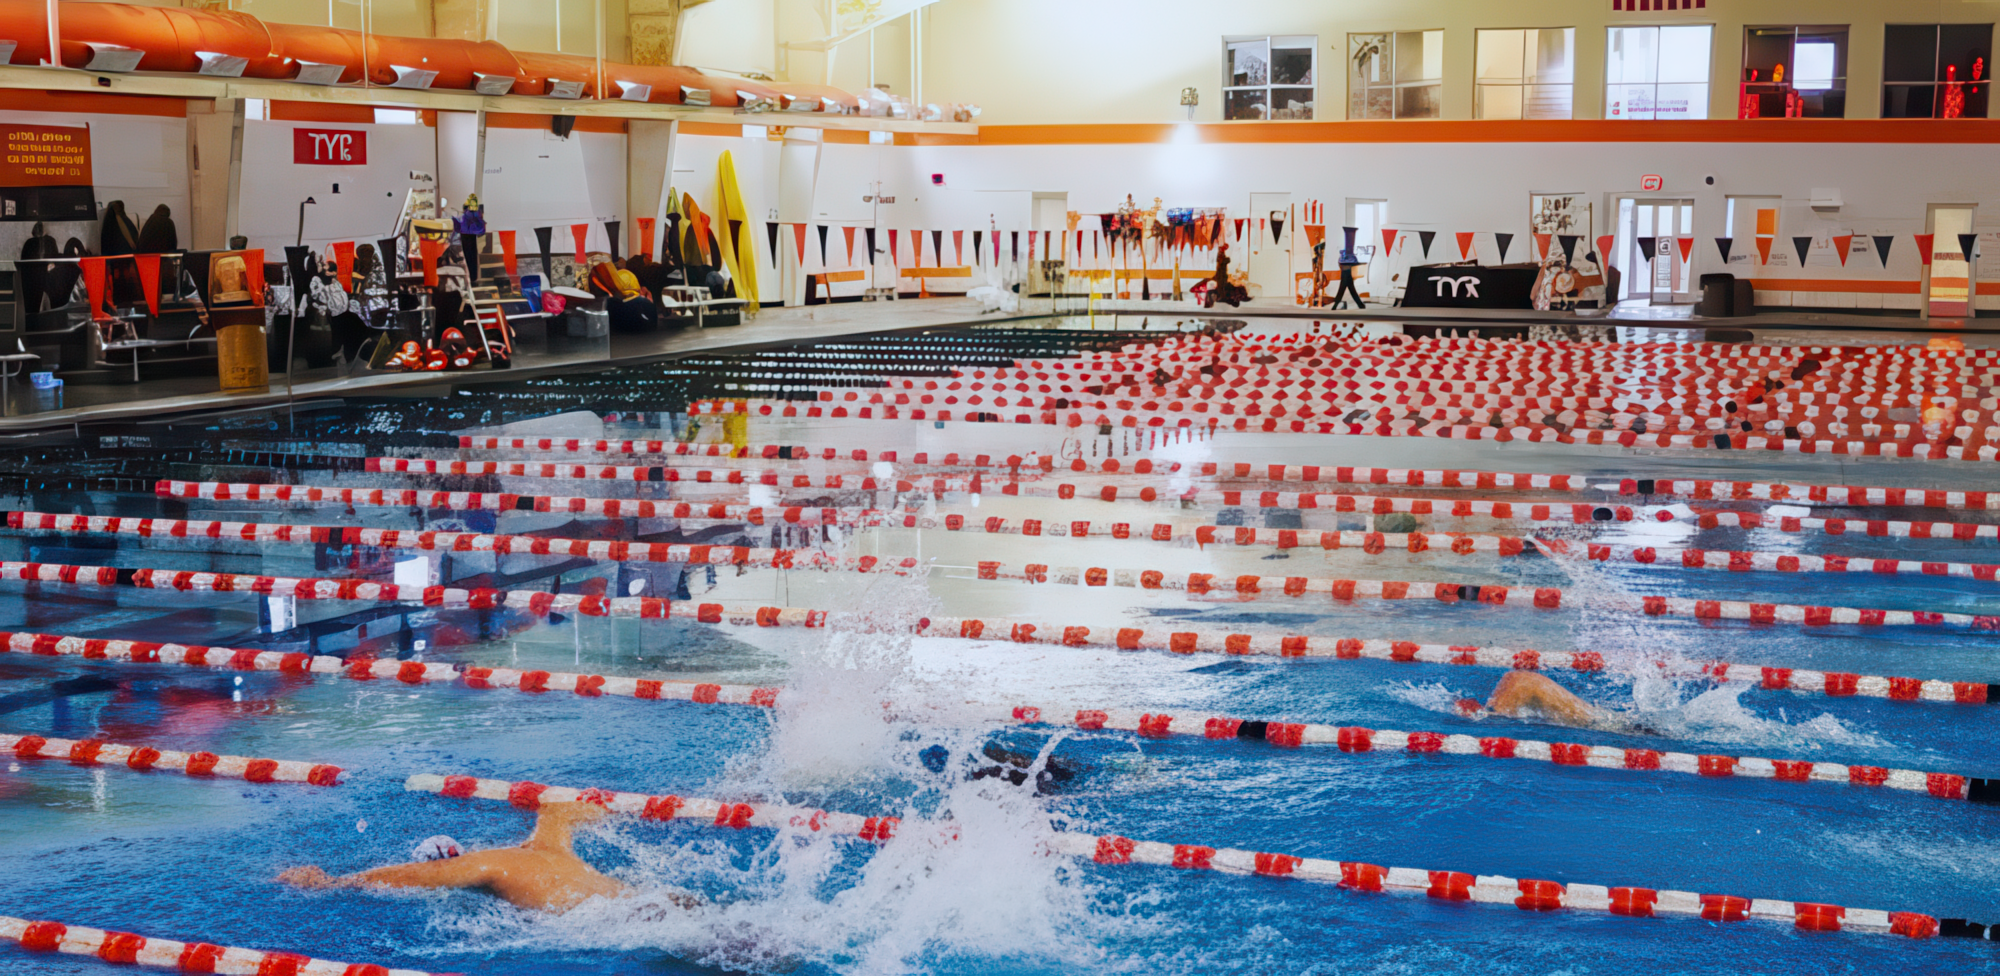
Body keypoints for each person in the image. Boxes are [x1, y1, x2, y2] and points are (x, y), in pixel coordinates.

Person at [278, 801, 673, 913]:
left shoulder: (486, 866)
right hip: (652, 899)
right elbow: (559, 809)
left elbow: (411, 878)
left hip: (627, 920)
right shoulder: (546, 845)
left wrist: (334, 883)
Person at [1456, 670, 1601, 727]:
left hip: (1599, 723)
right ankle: (1488, 715)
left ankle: (1487, 715)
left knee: (1521, 681)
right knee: (1519, 681)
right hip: (1597, 719)